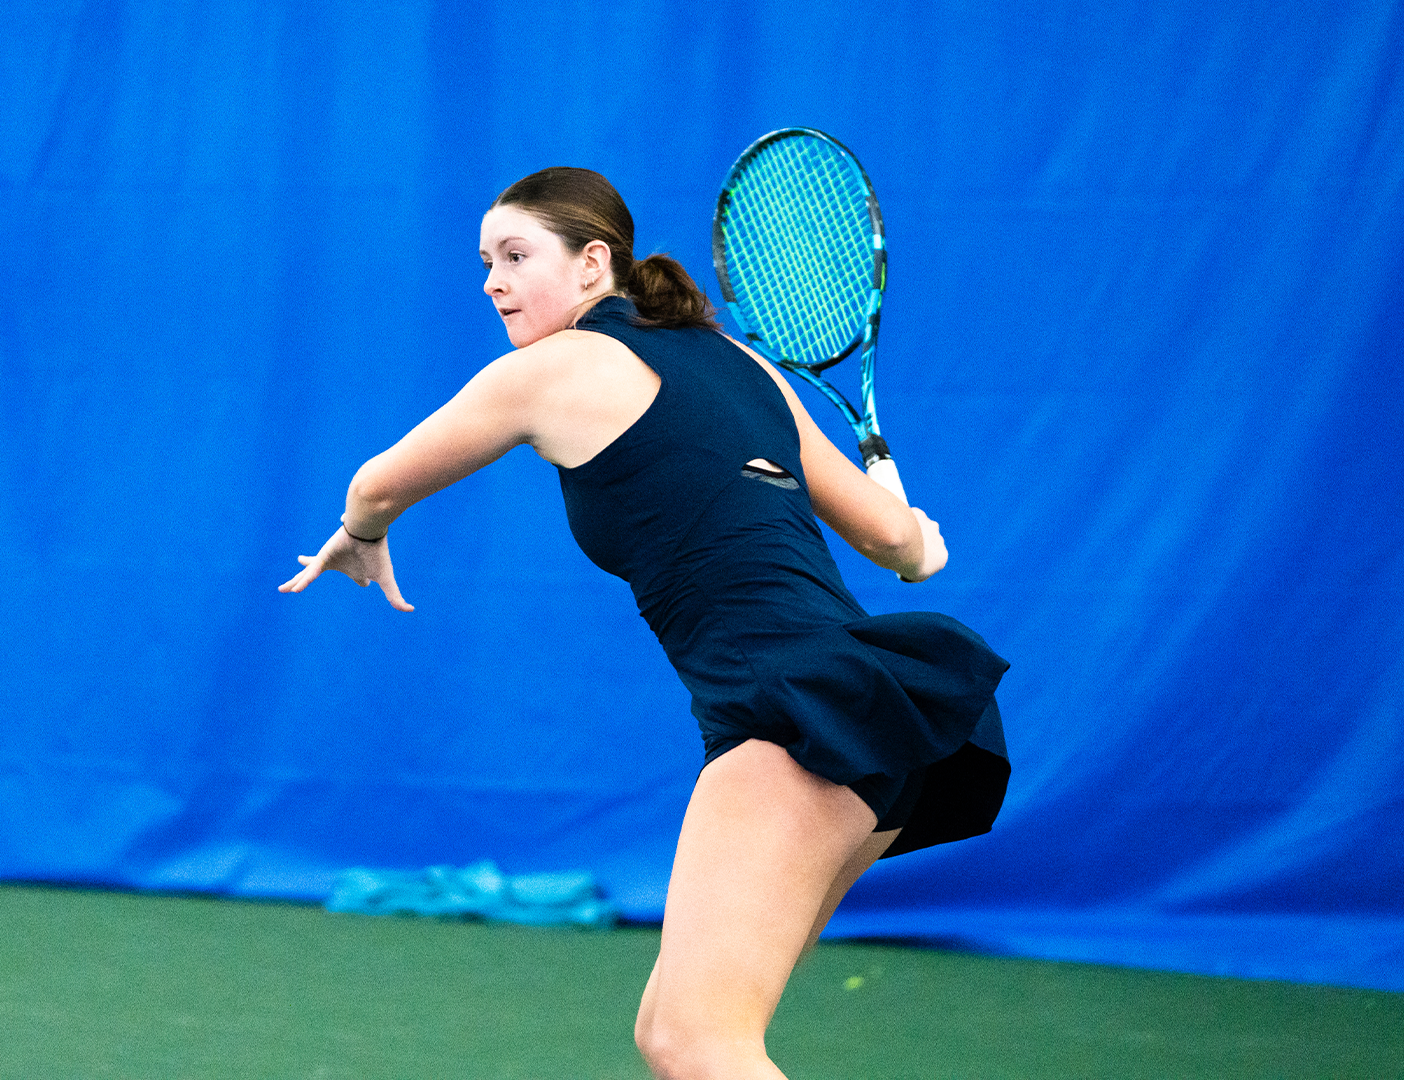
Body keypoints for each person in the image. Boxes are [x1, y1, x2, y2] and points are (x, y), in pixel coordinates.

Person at [280, 167, 1009, 1080]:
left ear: (594, 265)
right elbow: (902, 548)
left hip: (794, 719)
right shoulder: (745, 366)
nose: (491, 282)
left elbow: (377, 482)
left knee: (698, 1045)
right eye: (484, 263)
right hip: (886, 718)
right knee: (676, 1036)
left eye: (515, 257)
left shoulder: (550, 369)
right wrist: (915, 536)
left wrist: (362, 535)